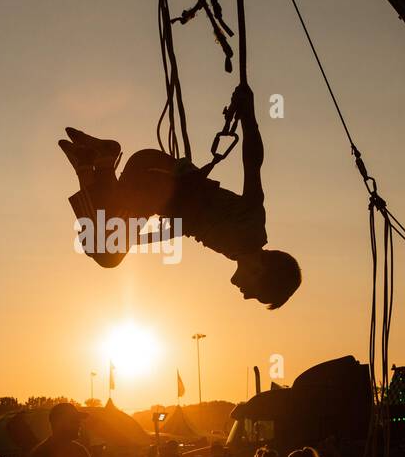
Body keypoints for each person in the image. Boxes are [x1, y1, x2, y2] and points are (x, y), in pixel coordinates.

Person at [59, 84, 301, 309]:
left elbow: (183, 225)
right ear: (261, 271)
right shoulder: (252, 225)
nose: (247, 295)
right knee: (106, 251)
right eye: (255, 294)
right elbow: (252, 164)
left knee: (100, 245)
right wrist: (248, 115)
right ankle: (95, 161)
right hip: (154, 177)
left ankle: (98, 160)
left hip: (153, 184)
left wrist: (135, 241)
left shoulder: (235, 247)